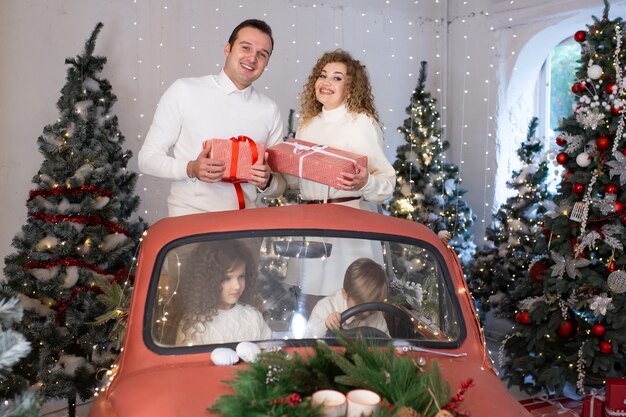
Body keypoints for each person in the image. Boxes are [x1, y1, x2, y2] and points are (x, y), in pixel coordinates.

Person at [138, 19, 285, 216]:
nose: (252, 58)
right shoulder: (185, 90)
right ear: (228, 48)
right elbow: (146, 159)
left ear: (266, 62)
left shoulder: (270, 109)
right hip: (190, 224)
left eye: (262, 54)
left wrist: (267, 182)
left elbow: (282, 184)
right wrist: (190, 168)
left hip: (246, 227)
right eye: (246, 48)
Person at [284, 49, 396, 307]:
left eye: (337, 77)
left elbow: (386, 184)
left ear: (351, 87)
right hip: (311, 226)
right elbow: (297, 180)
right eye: (323, 76)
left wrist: (366, 182)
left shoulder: (361, 123)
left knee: (348, 307)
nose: (326, 82)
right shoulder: (308, 124)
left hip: (348, 227)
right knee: (311, 307)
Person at [175, 240, 271, 345]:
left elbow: (269, 353)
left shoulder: (253, 315)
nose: (237, 286)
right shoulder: (195, 324)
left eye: (241, 277)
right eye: (227, 278)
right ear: (208, 280)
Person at [304, 258, 389, 338]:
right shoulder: (325, 307)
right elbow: (307, 337)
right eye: (360, 305)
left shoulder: (377, 316)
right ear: (344, 294)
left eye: (371, 309)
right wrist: (325, 325)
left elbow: (387, 344)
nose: (366, 314)